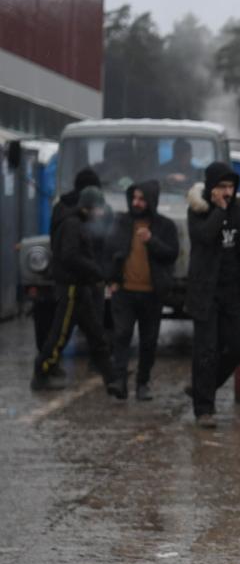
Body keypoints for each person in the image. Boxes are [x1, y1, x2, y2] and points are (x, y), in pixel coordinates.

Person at [186, 162, 240, 429]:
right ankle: (204, 408)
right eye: (221, 187)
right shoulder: (198, 211)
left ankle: (202, 386)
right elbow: (205, 237)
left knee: (236, 347)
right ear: (211, 188)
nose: (227, 192)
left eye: (230, 186)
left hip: (231, 292)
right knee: (206, 350)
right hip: (205, 291)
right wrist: (219, 211)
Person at [31, 186, 114, 392]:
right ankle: (42, 371)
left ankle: (112, 377)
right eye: (99, 208)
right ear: (88, 208)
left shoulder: (78, 223)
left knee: (96, 333)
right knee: (61, 333)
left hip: (81, 287)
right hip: (71, 287)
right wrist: (95, 270)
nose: (101, 213)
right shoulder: (72, 225)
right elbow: (70, 256)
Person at [104, 180, 178, 401]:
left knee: (148, 340)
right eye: (134, 198)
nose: (136, 203)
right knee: (122, 335)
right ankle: (119, 381)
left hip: (152, 293)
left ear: (151, 201)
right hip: (124, 292)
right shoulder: (121, 222)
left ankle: (143, 383)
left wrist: (151, 240)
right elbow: (108, 251)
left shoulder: (165, 226)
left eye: (141, 199)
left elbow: (171, 253)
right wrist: (111, 280)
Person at [34, 168, 103, 355]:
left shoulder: (61, 207)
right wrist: (96, 269)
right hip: (78, 278)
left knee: (79, 326)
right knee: (66, 327)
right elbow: (75, 250)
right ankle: (44, 369)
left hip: (69, 276)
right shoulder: (77, 215)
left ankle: (107, 369)